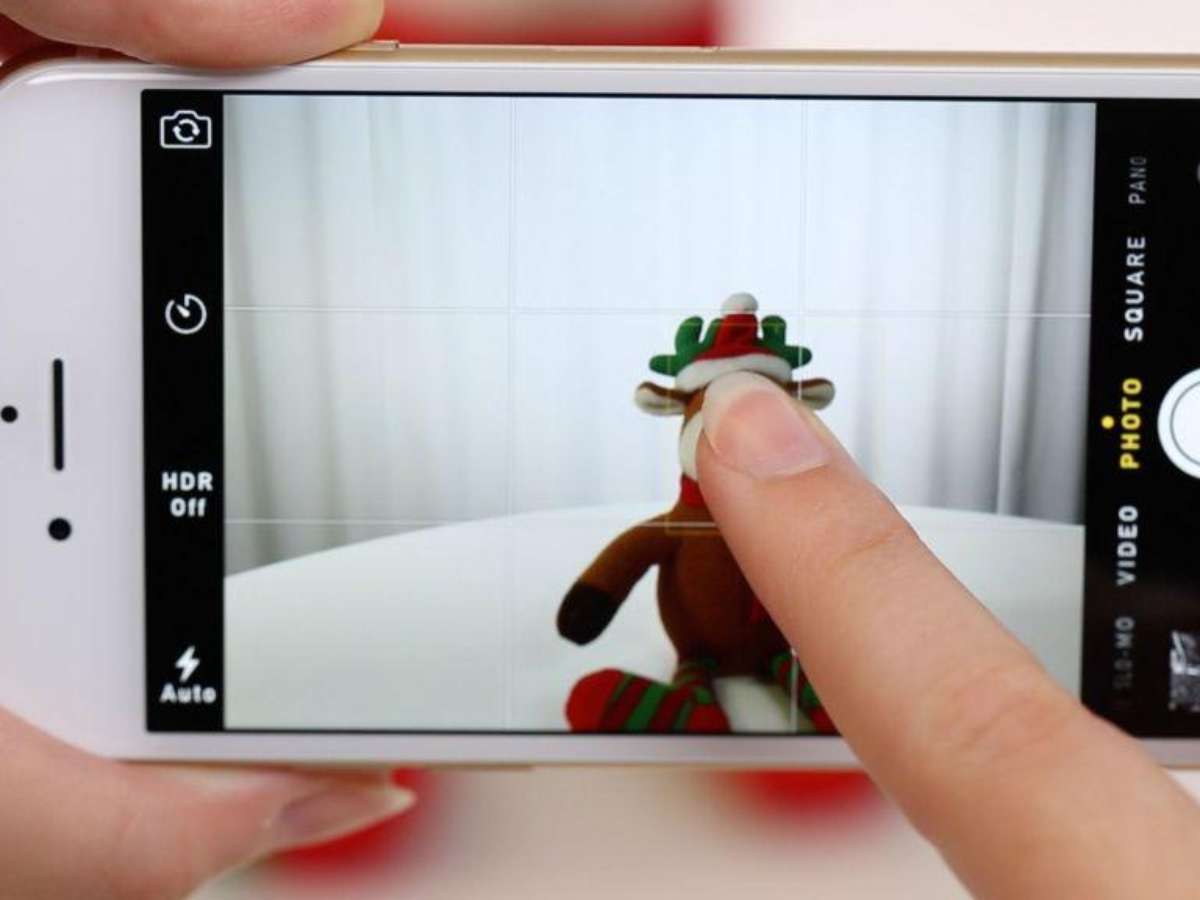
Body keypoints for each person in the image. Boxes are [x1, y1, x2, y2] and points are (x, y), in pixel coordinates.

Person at [2, 4, 1198, 897]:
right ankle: (698, 712)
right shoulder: (682, 516)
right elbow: (623, 565)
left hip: (792, 647)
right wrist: (587, 603)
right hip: (702, 647)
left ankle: (806, 715)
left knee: (871, 679)